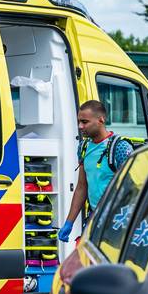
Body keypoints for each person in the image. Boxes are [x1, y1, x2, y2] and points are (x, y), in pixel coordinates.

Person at [59, 100, 134, 242]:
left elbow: (132, 188)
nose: (80, 126)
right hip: (94, 218)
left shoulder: (120, 147)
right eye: (79, 122)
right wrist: (69, 222)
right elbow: (82, 187)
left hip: (117, 221)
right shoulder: (84, 147)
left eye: (85, 122)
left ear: (101, 120)